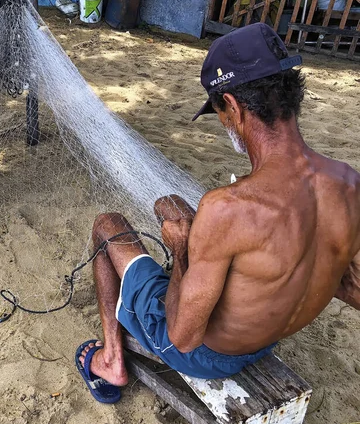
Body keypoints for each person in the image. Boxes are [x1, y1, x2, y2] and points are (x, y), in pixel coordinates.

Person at [75, 22, 360, 404]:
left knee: (107, 225)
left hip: (208, 356)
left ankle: (111, 360)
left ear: (234, 106)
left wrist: (181, 252)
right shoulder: (348, 183)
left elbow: (183, 337)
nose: (224, 123)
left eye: (219, 113)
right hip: (267, 338)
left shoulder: (227, 208)